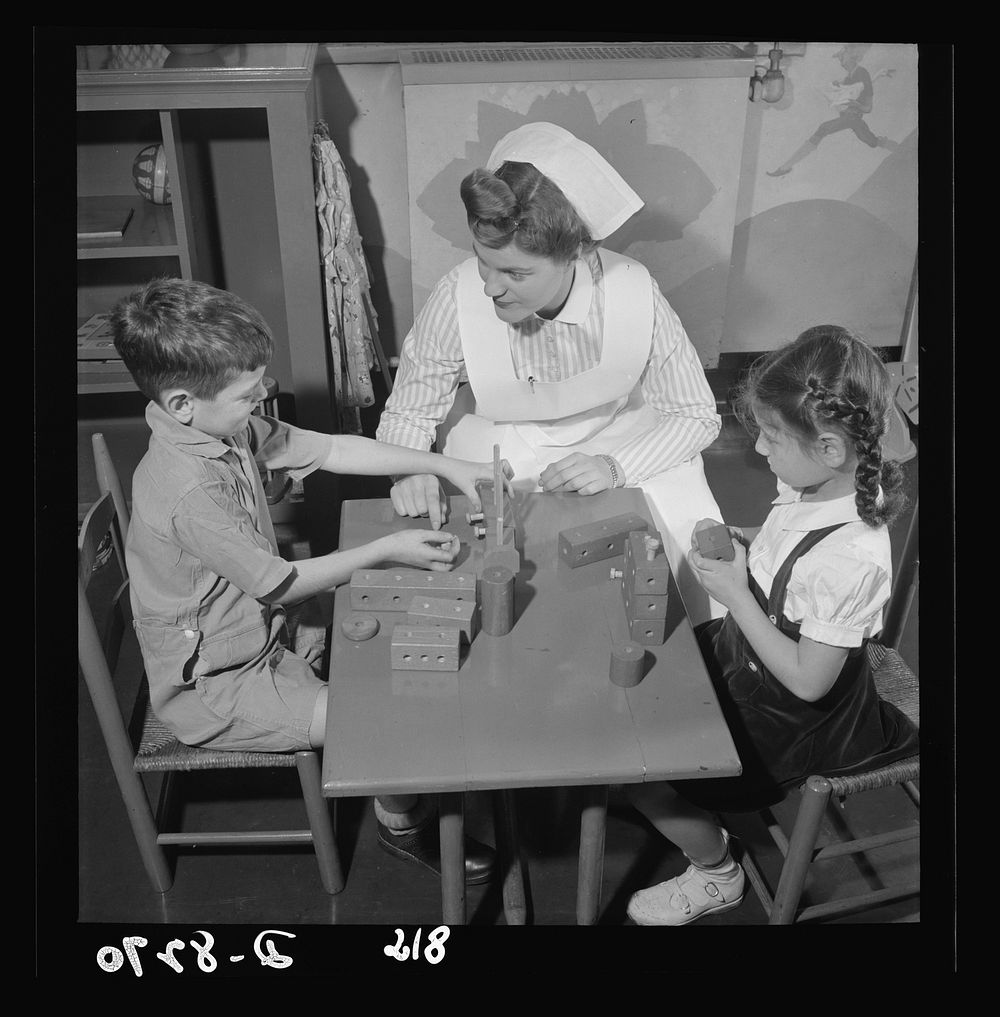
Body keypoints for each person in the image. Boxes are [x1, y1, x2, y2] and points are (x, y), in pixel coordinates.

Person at [110, 277, 506, 884]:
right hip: (219, 682)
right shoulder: (188, 489)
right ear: (184, 402)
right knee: (387, 718)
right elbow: (280, 584)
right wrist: (388, 548)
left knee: (394, 650)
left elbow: (332, 450)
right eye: (247, 396)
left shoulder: (219, 427)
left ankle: (400, 777)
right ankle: (401, 824)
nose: (260, 403)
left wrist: (444, 463)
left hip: (263, 628)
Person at [624, 325, 919, 925]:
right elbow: (790, 548)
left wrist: (738, 598)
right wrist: (753, 543)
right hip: (751, 659)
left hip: (797, 715)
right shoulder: (810, 484)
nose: (758, 449)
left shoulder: (851, 562)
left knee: (641, 771)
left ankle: (717, 875)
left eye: (772, 436)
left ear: (831, 447)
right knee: (651, 689)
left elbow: (810, 684)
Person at [377, 122, 726, 624]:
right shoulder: (456, 298)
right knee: (488, 558)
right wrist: (412, 467)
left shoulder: (635, 291)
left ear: (577, 255)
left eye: (517, 274)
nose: (491, 288)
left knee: (674, 544)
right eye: (483, 262)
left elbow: (696, 414)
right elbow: (411, 408)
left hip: (617, 436)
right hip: (503, 441)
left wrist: (615, 466)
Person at [768, 44, 897, 178]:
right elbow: (861, 88)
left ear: (854, 56)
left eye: (842, 56)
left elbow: (867, 107)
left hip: (853, 117)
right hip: (849, 118)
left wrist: (855, 103)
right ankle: (786, 166)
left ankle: (786, 167)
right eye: (839, 57)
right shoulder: (849, 77)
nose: (840, 60)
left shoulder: (861, 72)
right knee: (872, 142)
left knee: (826, 129)